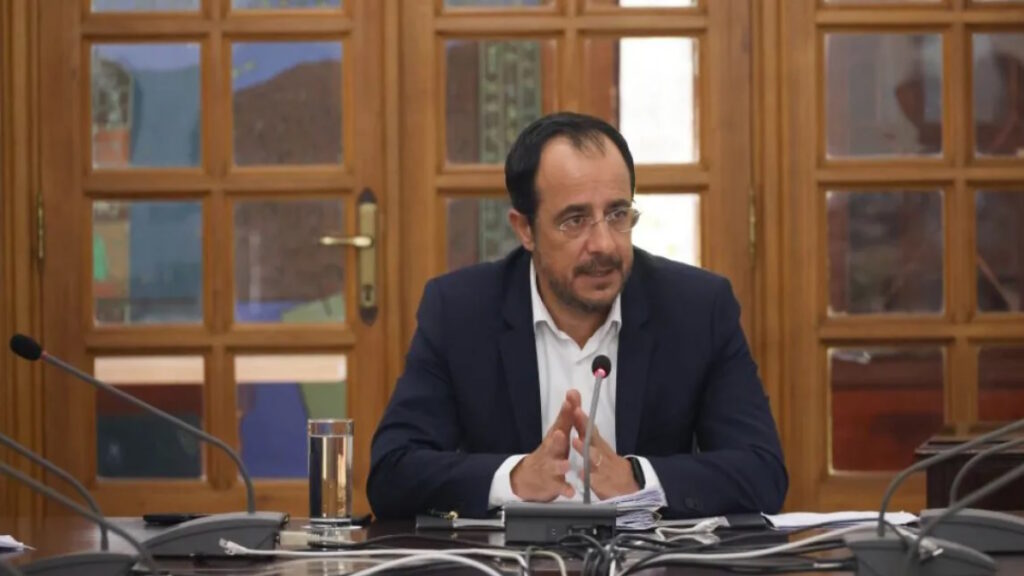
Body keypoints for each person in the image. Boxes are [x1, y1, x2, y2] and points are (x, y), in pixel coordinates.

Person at [368, 112, 787, 519]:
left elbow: (761, 472)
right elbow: (393, 472)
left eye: (618, 215)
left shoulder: (696, 307)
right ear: (525, 229)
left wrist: (638, 479)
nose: (604, 244)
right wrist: (513, 479)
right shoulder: (460, 311)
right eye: (575, 220)